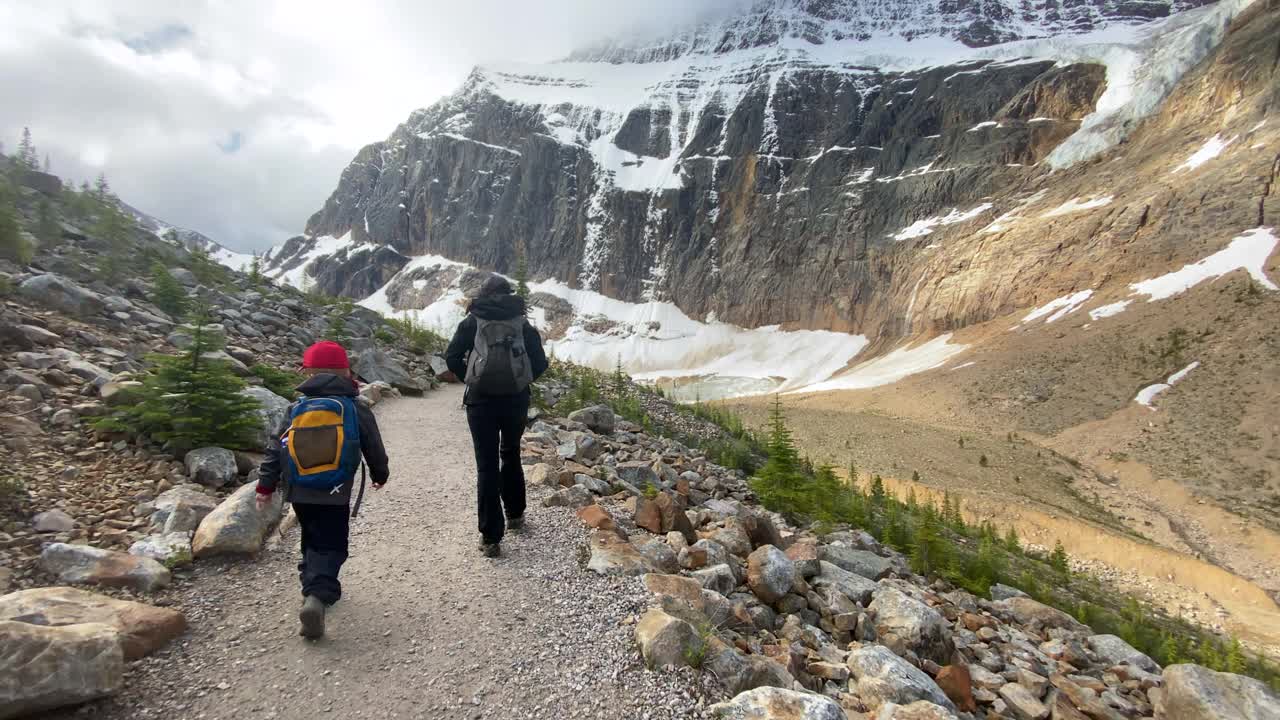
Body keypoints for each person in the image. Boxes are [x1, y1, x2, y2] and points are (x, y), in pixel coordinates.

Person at [255, 340, 389, 639]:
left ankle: (309, 583)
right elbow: (373, 445)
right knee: (332, 543)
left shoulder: (296, 408)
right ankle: (318, 595)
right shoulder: (355, 406)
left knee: (312, 534)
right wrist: (381, 473)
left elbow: (275, 450)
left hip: (299, 488)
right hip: (336, 489)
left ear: (309, 373)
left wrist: (265, 485)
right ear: (345, 371)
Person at [446, 274, 548, 558]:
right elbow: (540, 362)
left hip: (480, 402)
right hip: (516, 399)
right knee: (511, 453)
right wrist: (521, 382)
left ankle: (491, 537)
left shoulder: (472, 320)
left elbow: (451, 356)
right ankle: (515, 515)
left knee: (486, 465)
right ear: (509, 294)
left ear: (483, 294)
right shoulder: (522, 322)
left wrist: (471, 378)